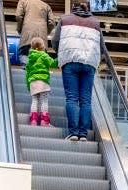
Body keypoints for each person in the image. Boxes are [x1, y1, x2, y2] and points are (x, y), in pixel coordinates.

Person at [51, 2, 102, 142]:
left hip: (70, 62)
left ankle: (73, 133)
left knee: (72, 98)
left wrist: (61, 52)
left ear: (74, 6)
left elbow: (55, 41)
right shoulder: (95, 23)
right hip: (89, 63)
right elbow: (101, 46)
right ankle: (83, 134)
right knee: (85, 100)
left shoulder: (65, 19)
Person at [25, 37, 58, 126]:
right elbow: (53, 64)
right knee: (44, 101)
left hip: (33, 82)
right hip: (43, 81)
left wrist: (28, 84)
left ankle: (34, 121)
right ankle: (44, 121)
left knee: (34, 100)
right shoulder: (44, 56)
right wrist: (59, 59)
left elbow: (27, 73)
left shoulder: (30, 59)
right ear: (43, 47)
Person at [15, 0, 56, 66]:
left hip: (27, 33)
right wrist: (46, 32)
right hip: (41, 38)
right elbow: (52, 22)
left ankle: (26, 72)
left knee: (24, 55)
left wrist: (20, 29)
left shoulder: (23, 1)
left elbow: (18, 16)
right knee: (40, 63)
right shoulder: (46, 6)